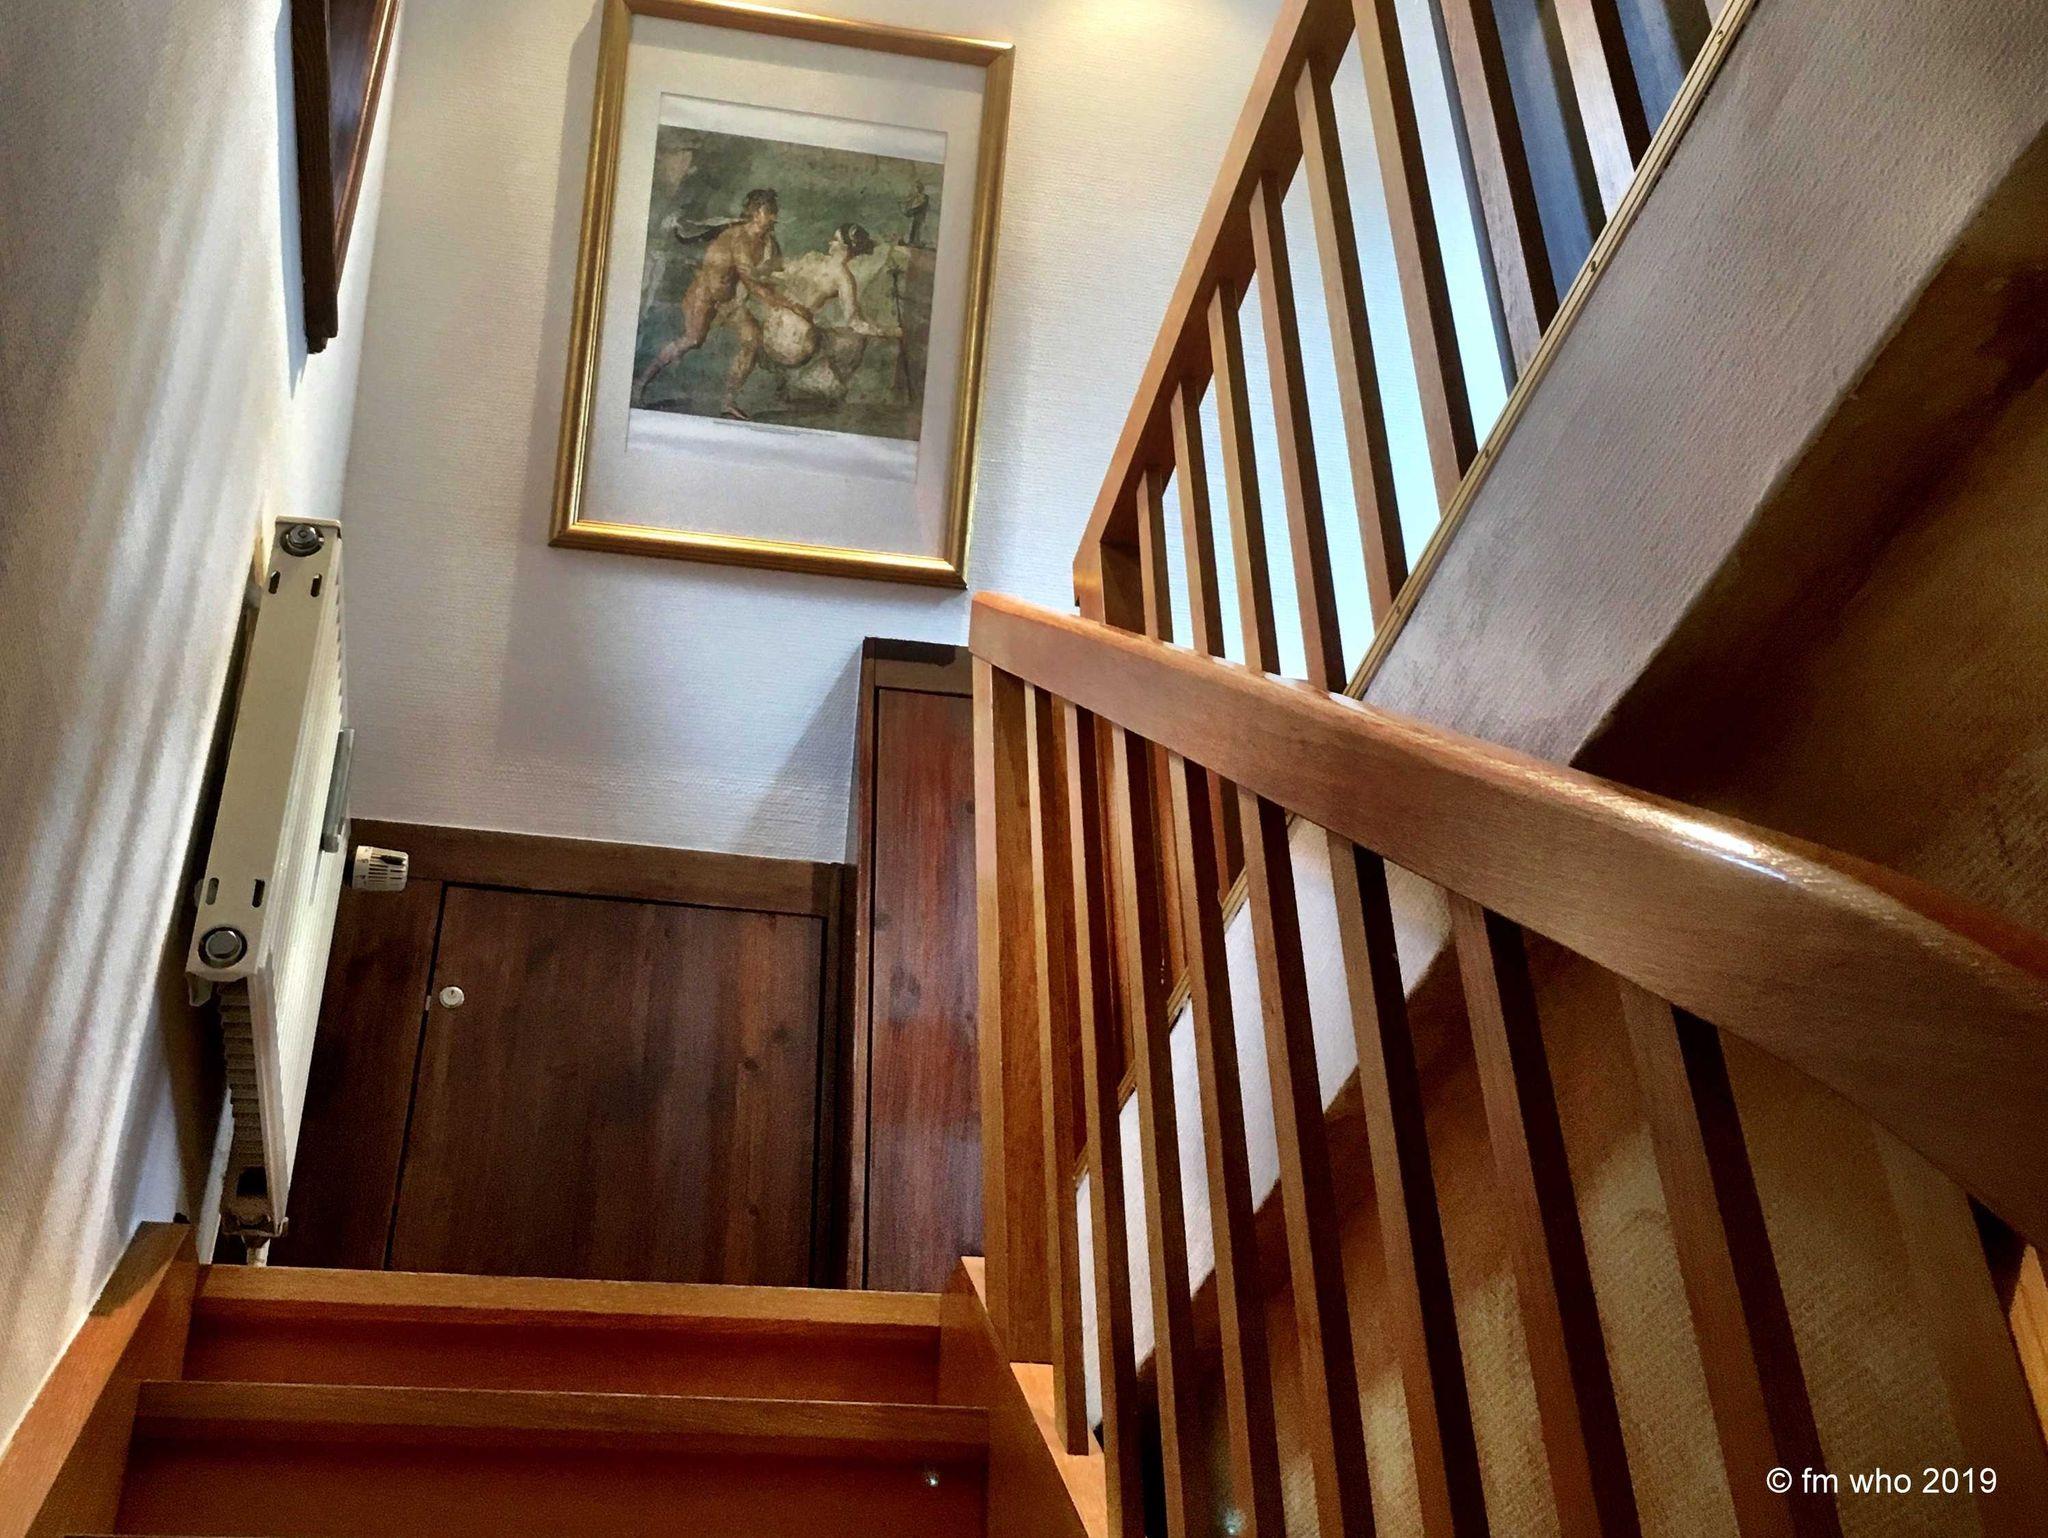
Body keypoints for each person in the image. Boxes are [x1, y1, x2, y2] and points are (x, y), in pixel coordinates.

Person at [633, 187, 812, 419]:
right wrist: (786, 304)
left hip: (730, 301)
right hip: (704, 296)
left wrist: (791, 295)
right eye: (769, 211)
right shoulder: (739, 238)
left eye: (774, 211)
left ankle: (728, 401)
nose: (774, 216)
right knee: (692, 339)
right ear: (756, 212)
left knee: (752, 340)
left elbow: (774, 276)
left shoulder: (768, 243)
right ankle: (640, 384)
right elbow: (753, 283)